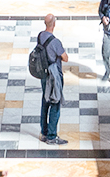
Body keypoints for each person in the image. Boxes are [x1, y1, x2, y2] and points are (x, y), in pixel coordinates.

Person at [35, 13, 68, 145]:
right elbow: (65, 57)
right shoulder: (55, 42)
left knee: (45, 101)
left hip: (44, 74)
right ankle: (52, 136)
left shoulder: (40, 36)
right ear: (54, 24)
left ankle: (44, 132)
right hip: (54, 76)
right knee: (55, 102)